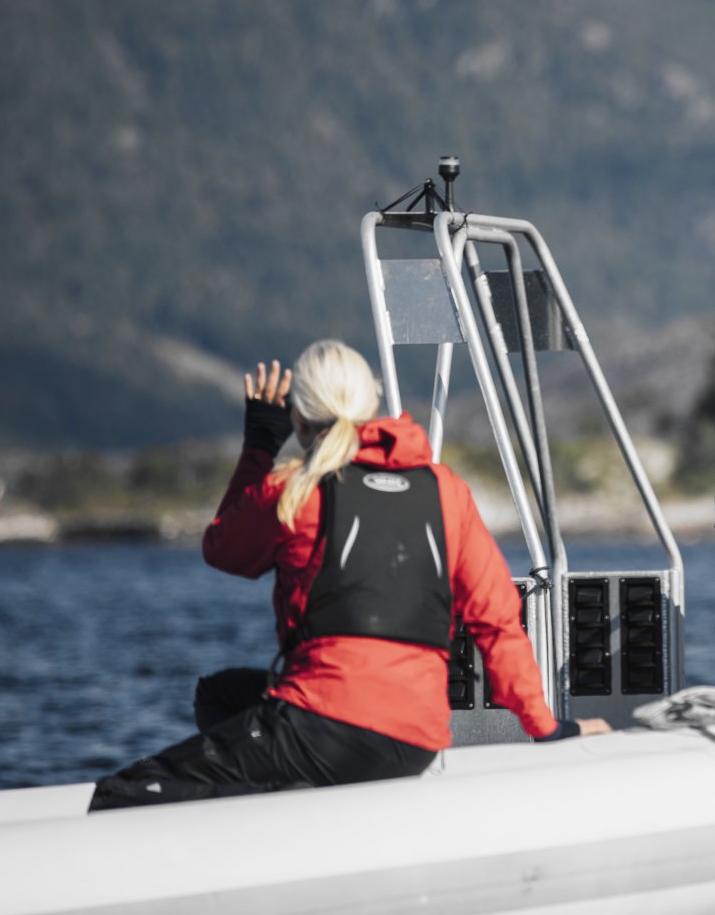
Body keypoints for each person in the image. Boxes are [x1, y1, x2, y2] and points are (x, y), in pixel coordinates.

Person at [90, 340, 605, 811]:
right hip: (416, 741)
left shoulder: (298, 491)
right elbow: (497, 623)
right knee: (223, 696)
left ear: (299, 419)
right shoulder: (447, 490)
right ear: (371, 404)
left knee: (123, 795)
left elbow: (222, 548)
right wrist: (546, 727)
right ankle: (291, 802)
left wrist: (258, 447)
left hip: (324, 729)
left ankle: (273, 811)